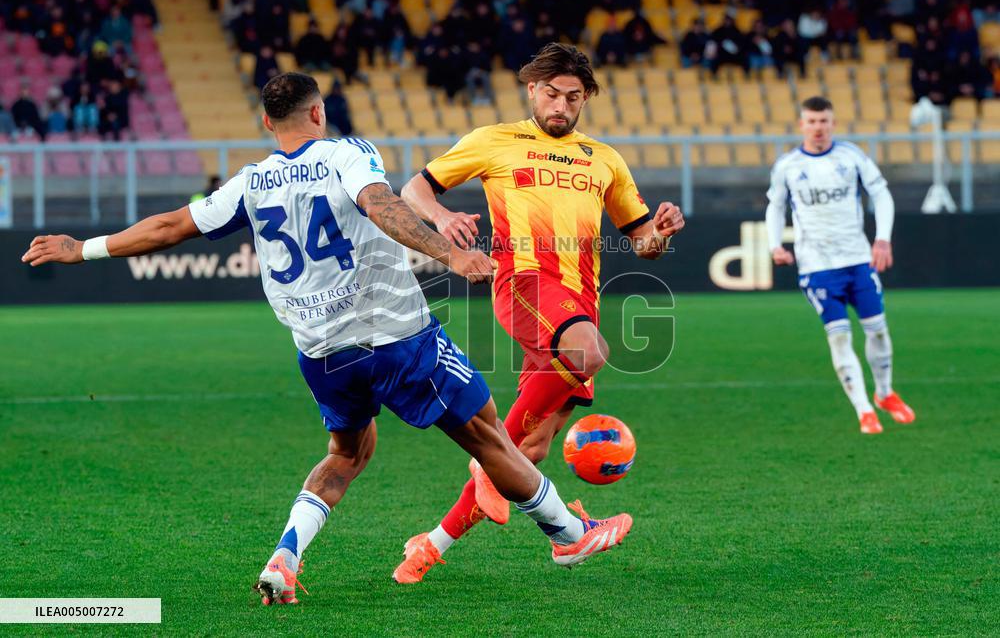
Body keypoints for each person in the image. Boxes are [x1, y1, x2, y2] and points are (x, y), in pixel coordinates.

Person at [20, 72, 632, 605]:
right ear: (318, 112)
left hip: (321, 353)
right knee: (487, 434)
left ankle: (285, 556)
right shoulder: (347, 154)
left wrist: (83, 248)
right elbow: (379, 204)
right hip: (396, 338)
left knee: (346, 455)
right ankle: (568, 538)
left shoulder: (250, 182)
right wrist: (448, 252)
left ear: (266, 121)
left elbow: (170, 225)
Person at [397, 43, 685, 582]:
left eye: (573, 97)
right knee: (590, 352)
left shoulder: (604, 159)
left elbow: (643, 242)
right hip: (524, 282)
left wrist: (661, 233)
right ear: (532, 90)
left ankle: (431, 546)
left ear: (586, 100)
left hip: (580, 301)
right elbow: (415, 188)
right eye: (552, 94)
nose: (561, 105)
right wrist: (439, 217)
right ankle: (495, 474)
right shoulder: (494, 140)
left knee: (530, 447)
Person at [764, 96, 916, 435]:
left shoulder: (851, 157)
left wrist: (883, 238)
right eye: (812, 122)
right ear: (802, 124)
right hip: (817, 266)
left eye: (824, 121)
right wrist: (775, 244)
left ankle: (885, 393)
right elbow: (776, 207)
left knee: (877, 328)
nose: (818, 128)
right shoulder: (787, 166)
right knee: (839, 337)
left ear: (832, 123)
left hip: (858, 259)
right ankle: (864, 410)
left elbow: (881, 194)